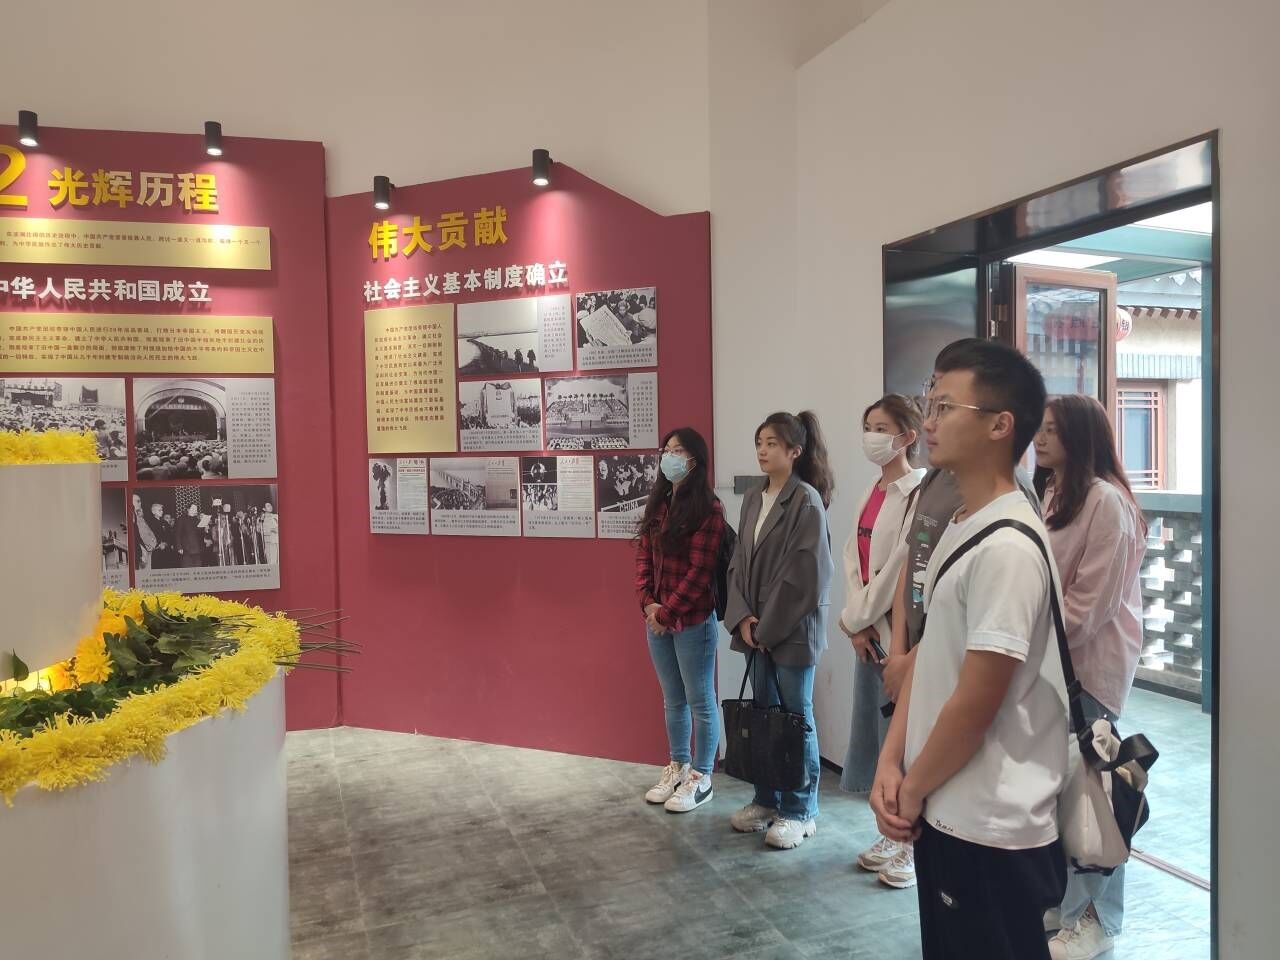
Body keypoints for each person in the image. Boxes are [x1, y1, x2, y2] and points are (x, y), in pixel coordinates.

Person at [870, 339, 1069, 959]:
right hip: (948, 805)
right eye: (929, 403)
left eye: (944, 406)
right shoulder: (965, 522)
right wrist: (890, 762)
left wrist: (911, 789)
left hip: (991, 825)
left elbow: (977, 702)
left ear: (999, 425)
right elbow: (932, 656)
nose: (928, 421)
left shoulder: (1008, 547)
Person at [1034, 395, 1147, 960]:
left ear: (1081, 437)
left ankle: (1098, 919)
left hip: (1090, 671)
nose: (1039, 438)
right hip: (1053, 667)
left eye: (1052, 430)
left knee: (1097, 799)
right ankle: (1067, 906)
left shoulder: (1107, 501)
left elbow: (1087, 608)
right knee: (1063, 797)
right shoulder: (1055, 491)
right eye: (1039, 428)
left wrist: (1029, 641)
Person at [724, 410, 834, 849]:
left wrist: (766, 628)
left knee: (795, 718)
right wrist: (742, 618)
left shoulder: (805, 500)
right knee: (764, 715)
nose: (763, 450)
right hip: (756, 630)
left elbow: (805, 574)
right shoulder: (753, 497)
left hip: (790, 632)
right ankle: (766, 799)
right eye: (759, 443)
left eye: (772, 443)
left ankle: (800, 809)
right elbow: (737, 562)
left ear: (795, 451)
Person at [838, 395, 926, 886]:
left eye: (882, 427)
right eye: (868, 425)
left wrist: (857, 618)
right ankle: (889, 834)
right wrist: (856, 623)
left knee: (905, 740)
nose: (871, 436)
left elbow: (898, 568)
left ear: (907, 437)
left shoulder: (917, 491)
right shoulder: (871, 490)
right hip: (868, 633)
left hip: (898, 637)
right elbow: (853, 559)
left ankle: (910, 843)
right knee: (878, 737)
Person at [634, 427, 726, 814]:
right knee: (673, 700)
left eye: (678, 451)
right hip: (657, 619)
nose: (669, 457)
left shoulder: (709, 509)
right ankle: (678, 765)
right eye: (666, 450)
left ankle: (701, 777)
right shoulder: (659, 503)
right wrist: (647, 603)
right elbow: (643, 557)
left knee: (700, 701)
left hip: (692, 622)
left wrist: (667, 612)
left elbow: (700, 572)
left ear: (694, 460)